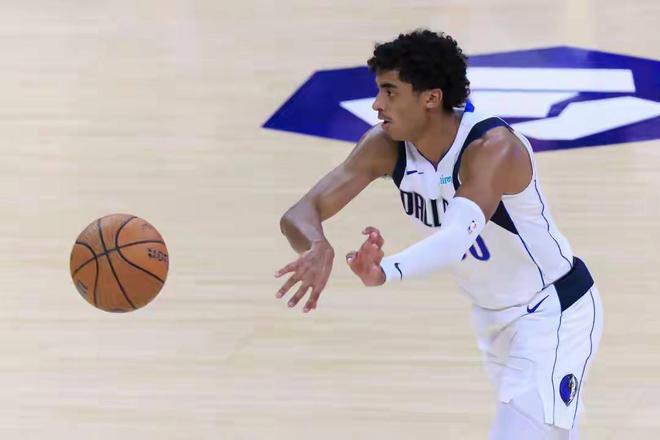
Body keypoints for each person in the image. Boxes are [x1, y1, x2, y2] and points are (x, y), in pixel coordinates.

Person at [275, 29, 602, 439]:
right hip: (493, 318)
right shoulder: (385, 146)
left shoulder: (493, 148)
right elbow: (300, 213)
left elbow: (454, 240)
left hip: (552, 311)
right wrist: (317, 243)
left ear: (430, 97)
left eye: (390, 92)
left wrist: (385, 271)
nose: (376, 104)